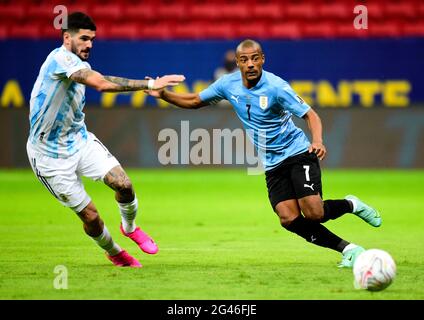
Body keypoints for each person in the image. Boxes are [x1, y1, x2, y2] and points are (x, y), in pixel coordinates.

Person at [147, 39, 381, 268]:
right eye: (244, 59)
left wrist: (317, 140)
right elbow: (195, 100)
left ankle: (351, 204)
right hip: (271, 163)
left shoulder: (276, 87)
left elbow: (311, 115)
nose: (250, 64)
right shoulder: (227, 84)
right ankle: (349, 250)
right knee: (288, 218)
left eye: (255, 59)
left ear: (262, 60)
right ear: (237, 63)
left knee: (314, 212)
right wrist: (164, 95)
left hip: (298, 152)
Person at [26, 12, 185, 268]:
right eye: (84, 39)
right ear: (67, 38)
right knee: (91, 217)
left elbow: (101, 78)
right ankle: (114, 252)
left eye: (92, 40)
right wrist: (153, 83)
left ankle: (130, 228)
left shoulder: (81, 66)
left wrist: (146, 85)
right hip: (48, 157)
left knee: (124, 184)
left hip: (79, 141)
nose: (89, 44)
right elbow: (100, 85)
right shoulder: (59, 60)